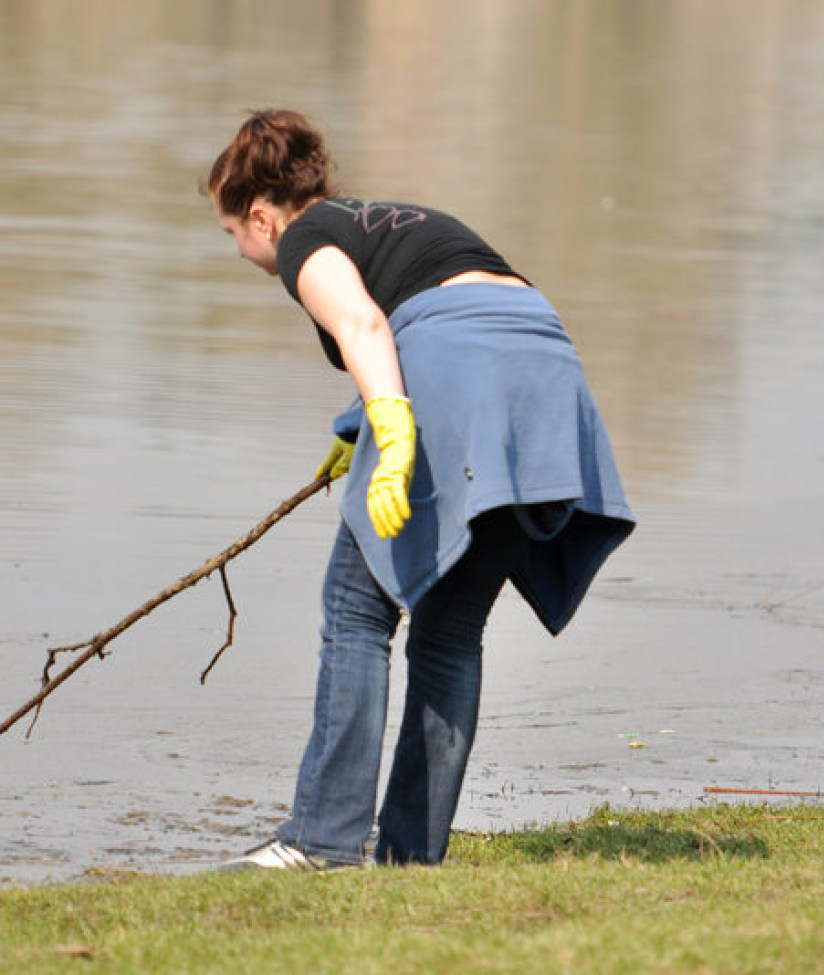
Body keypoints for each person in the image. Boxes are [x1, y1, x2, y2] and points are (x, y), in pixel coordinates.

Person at [206, 109, 635, 869]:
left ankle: (319, 839)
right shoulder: (386, 218)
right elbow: (441, 308)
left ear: (262, 218)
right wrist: (358, 427)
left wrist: (395, 435)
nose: (238, 247)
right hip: (541, 375)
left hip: (463, 379)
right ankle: (410, 859)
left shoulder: (307, 237)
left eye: (231, 231)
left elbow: (370, 328)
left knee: (356, 607)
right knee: (449, 629)